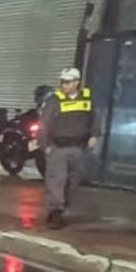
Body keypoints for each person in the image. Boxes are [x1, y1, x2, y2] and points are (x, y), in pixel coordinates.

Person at [38, 67, 97, 229]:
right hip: (58, 147)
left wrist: (94, 134)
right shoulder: (54, 100)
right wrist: (45, 146)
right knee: (56, 180)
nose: (64, 85)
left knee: (72, 181)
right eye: (62, 82)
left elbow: (94, 118)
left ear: (77, 82)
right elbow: (44, 124)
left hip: (78, 148)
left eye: (68, 82)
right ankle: (55, 212)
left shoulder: (86, 98)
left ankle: (60, 209)